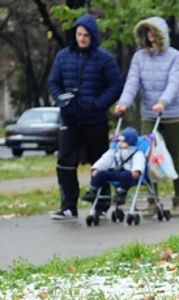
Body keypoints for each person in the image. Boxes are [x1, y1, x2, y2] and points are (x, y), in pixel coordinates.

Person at [48, 14, 124, 221]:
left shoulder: (104, 59)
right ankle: (68, 207)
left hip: (95, 120)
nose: (82, 38)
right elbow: (54, 82)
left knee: (100, 163)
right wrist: (61, 99)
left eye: (86, 35)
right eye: (79, 34)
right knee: (64, 162)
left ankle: (101, 204)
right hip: (70, 119)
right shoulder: (63, 56)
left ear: (93, 36)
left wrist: (98, 103)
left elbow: (116, 85)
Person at [115, 17, 179, 217]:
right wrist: (123, 103)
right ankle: (152, 199)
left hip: (171, 114)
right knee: (146, 156)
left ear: (161, 34)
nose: (150, 35)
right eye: (147, 32)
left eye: (153, 31)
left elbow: (174, 82)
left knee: (172, 156)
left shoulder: (175, 56)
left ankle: (178, 199)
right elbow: (132, 83)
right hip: (148, 113)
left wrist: (163, 102)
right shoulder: (139, 57)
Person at [81, 127, 146, 207]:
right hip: (116, 172)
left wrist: (137, 171)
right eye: (120, 141)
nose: (120, 143)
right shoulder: (115, 151)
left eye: (123, 141)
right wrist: (96, 168)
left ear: (129, 143)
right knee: (101, 174)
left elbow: (139, 162)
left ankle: (121, 193)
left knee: (126, 175)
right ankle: (92, 190)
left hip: (129, 174)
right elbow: (105, 159)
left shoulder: (137, 154)